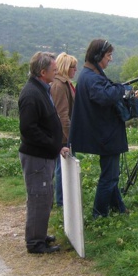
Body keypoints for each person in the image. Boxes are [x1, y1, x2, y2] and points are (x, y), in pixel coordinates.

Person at [69, 39, 137, 218]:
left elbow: (106, 91)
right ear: (98, 56)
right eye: (108, 55)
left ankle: (119, 207)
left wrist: (118, 87)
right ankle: (99, 214)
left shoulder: (88, 75)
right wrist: (121, 89)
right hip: (106, 136)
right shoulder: (91, 78)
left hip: (105, 135)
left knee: (111, 173)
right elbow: (105, 96)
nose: (111, 59)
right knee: (110, 176)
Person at [18, 52, 70, 254]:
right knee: (39, 196)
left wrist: (56, 146)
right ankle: (35, 243)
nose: (56, 73)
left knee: (44, 196)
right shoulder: (31, 94)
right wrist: (51, 144)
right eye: (54, 70)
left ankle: (39, 235)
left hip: (44, 154)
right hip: (37, 156)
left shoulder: (41, 89)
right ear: (42, 72)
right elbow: (28, 129)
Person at [50, 52, 78, 207]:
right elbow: (62, 115)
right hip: (62, 136)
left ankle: (64, 199)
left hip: (64, 134)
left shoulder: (65, 83)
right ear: (66, 67)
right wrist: (69, 137)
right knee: (62, 168)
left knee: (63, 167)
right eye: (73, 67)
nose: (75, 71)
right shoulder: (59, 85)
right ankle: (61, 201)